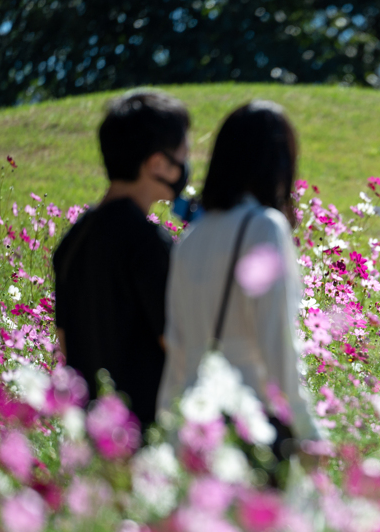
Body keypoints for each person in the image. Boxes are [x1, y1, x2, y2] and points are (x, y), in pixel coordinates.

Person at [157, 100, 324, 463]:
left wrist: (168, 431)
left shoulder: (192, 237)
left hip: (197, 427)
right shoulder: (263, 227)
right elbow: (276, 342)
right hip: (252, 422)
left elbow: (178, 347)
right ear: (278, 163)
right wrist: (308, 430)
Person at [53, 89, 191, 433]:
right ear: (157, 163)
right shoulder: (147, 242)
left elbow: (65, 342)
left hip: (95, 432)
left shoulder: (74, 239)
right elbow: (177, 347)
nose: (187, 162)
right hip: (144, 433)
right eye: (183, 151)